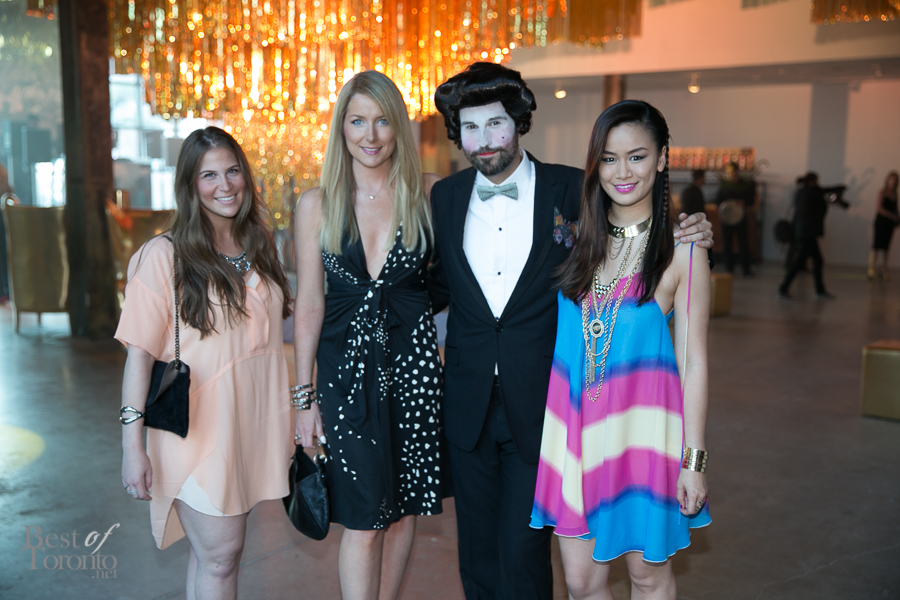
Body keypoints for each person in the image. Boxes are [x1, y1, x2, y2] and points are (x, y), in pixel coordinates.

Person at [428, 62, 713, 600]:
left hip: (579, 416)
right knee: (536, 571)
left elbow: (693, 354)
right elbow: (435, 283)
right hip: (524, 416)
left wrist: (694, 229)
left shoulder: (570, 193)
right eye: (470, 127)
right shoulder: (451, 198)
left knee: (574, 566)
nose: (483, 139)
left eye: (496, 123)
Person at [530, 99, 711, 600]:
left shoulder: (683, 250)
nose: (622, 172)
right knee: (581, 582)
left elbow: (694, 361)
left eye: (637, 156)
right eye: (609, 159)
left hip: (643, 437)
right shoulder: (573, 237)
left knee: (646, 577)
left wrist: (694, 461)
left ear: (662, 157)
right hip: (574, 435)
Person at [117, 127, 295, 599]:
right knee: (220, 554)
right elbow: (139, 357)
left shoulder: (259, 244)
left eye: (233, 171)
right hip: (197, 431)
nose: (225, 185)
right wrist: (131, 447)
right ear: (189, 185)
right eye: (209, 175)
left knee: (213, 557)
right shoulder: (163, 256)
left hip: (250, 425)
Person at [292, 70, 444, 600]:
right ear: (342, 127)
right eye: (357, 121)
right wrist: (303, 398)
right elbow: (309, 303)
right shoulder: (317, 204)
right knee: (363, 519)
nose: (371, 135)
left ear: (399, 126)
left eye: (382, 121)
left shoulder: (430, 194)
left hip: (414, 370)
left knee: (403, 512)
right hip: (344, 376)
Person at [778, 172, 833, 299]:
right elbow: (819, 208)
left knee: (814, 261)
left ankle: (819, 290)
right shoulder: (809, 193)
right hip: (808, 233)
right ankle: (783, 289)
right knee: (802, 263)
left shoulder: (802, 193)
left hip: (805, 233)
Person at [715, 162, 756, 276]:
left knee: (743, 243)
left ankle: (746, 269)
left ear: (738, 172)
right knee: (727, 244)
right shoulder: (724, 185)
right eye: (730, 172)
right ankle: (729, 268)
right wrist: (723, 205)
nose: (732, 174)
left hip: (740, 218)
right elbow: (717, 201)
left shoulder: (745, 185)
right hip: (727, 218)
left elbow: (751, 201)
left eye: (734, 172)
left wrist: (743, 202)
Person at [868, 171, 899, 280]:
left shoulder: (895, 194)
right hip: (881, 222)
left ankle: (882, 268)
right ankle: (871, 267)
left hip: (889, 224)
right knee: (877, 244)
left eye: (895, 180)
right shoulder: (882, 192)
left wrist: (896, 218)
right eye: (892, 179)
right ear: (888, 180)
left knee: (886, 246)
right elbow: (879, 208)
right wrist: (891, 215)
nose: (893, 182)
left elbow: (895, 208)